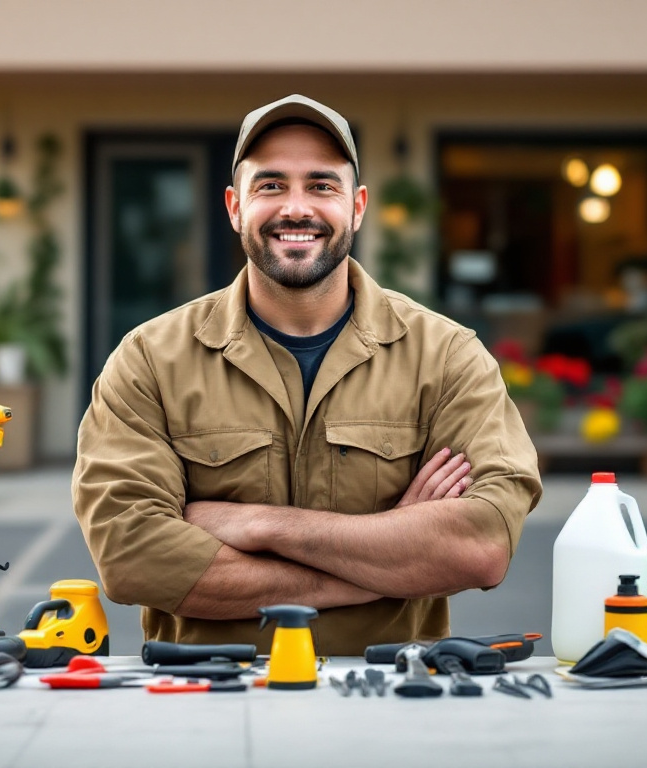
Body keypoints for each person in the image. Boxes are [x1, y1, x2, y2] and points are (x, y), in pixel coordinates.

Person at [72, 94, 541, 654]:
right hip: (210, 694)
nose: (297, 208)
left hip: (389, 698)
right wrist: (388, 560)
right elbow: (131, 556)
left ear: (358, 206)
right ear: (234, 207)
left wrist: (264, 526)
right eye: (271, 185)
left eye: (322, 185)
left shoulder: (446, 356)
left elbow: (482, 545)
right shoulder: (150, 358)